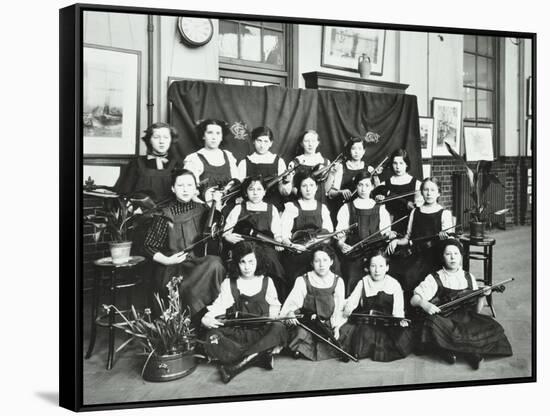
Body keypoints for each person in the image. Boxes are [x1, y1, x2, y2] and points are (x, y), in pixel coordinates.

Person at [410, 239, 513, 369]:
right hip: (445, 319)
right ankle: (465, 351)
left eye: (456, 254)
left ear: (461, 257)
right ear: (442, 257)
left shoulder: (468, 277)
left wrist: (481, 296)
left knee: (490, 326)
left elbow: (476, 311)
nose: (452, 257)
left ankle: (456, 351)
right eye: (448, 254)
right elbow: (413, 300)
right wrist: (424, 304)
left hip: (465, 319)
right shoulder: (435, 277)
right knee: (433, 322)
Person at [143, 168, 225, 322]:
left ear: (195, 188)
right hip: (174, 266)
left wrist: (216, 204)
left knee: (216, 263)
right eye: (180, 186)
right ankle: (186, 325)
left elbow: (215, 234)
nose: (185, 190)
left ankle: (206, 320)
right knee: (184, 285)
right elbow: (149, 246)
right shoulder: (164, 213)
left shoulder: (203, 209)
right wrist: (168, 260)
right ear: (173, 189)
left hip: (198, 263)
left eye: (189, 185)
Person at [201, 242, 288, 383]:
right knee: (212, 336)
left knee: (279, 328)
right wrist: (207, 318)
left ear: (258, 261)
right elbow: (219, 306)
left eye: (251, 262)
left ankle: (237, 364)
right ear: (237, 263)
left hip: (260, 333)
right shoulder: (229, 283)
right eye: (242, 262)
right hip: (237, 334)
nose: (247, 267)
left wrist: (274, 319)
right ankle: (260, 355)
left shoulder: (267, 281)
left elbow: (274, 309)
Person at [338, 251, 413, 362]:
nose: (377, 270)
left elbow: (398, 309)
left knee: (398, 340)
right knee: (359, 338)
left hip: (387, 324)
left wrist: (399, 320)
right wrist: (348, 308)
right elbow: (352, 301)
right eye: (373, 266)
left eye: (381, 266)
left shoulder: (394, 284)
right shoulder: (363, 282)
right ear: (368, 268)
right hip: (368, 323)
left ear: (387, 268)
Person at [386, 177, 454, 295]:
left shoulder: (445, 214)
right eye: (426, 190)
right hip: (415, 255)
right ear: (421, 192)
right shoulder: (415, 212)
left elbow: (450, 242)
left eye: (432, 190)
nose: (429, 193)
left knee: (414, 277)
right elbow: (408, 238)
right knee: (395, 271)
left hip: (435, 257)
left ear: (439, 193)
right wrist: (396, 241)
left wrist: (446, 238)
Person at [223, 176, 288, 297]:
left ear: (264, 192)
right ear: (246, 192)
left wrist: (278, 241)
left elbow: (277, 232)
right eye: (251, 189)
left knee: (273, 262)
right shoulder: (239, 208)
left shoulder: (271, 208)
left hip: (265, 245)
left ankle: (275, 298)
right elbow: (227, 230)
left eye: (259, 189)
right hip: (244, 245)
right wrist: (228, 236)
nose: (255, 192)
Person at [279, 245, 346, 361]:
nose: (321, 265)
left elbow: (339, 308)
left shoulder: (338, 281)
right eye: (317, 261)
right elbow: (293, 303)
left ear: (331, 261)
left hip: (328, 324)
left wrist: (336, 326)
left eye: (325, 260)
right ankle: (301, 349)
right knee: (299, 333)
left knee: (345, 333)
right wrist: (290, 312)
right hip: (308, 324)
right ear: (311, 263)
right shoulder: (303, 280)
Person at [336, 171, 395, 293]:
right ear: (356, 186)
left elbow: (386, 233)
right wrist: (341, 244)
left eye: (367, 185)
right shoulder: (347, 207)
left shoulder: (380, 207)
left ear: (373, 187)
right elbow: (340, 235)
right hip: (354, 253)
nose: (363, 189)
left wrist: (390, 236)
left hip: (375, 253)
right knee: (352, 279)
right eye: (360, 185)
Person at [280, 171, 339, 284]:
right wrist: (293, 246)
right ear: (298, 188)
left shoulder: (323, 208)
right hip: (299, 248)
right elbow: (284, 236)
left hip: (320, 249)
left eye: (311, 185)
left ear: (316, 187)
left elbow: (328, 233)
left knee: (333, 263)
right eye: (304, 186)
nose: (308, 189)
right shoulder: (291, 207)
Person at [114, 122, 183, 202]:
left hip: (170, 211)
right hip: (141, 211)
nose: (161, 141)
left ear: (171, 140)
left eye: (166, 137)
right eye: (156, 137)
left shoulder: (177, 164)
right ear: (149, 140)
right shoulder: (136, 163)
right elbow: (124, 193)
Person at [183, 119, 239, 198]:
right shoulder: (194, 159)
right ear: (203, 136)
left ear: (221, 137)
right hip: (203, 206)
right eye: (210, 133)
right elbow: (189, 190)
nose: (214, 137)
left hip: (228, 204)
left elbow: (236, 183)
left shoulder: (229, 156)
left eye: (218, 133)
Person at [237, 126, 290, 210]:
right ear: (254, 141)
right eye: (259, 141)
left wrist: (286, 182)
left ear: (271, 143)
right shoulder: (244, 163)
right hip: (251, 207)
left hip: (274, 206)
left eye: (266, 141)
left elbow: (284, 192)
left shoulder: (279, 161)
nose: (262, 145)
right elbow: (240, 189)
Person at [327, 136, 378, 220]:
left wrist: (375, 179)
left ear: (364, 151)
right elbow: (330, 193)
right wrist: (341, 191)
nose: (356, 152)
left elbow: (376, 192)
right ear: (349, 150)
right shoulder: (341, 167)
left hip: (364, 209)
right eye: (353, 148)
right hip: (343, 209)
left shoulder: (369, 169)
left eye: (359, 149)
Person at [378, 149, 422, 236]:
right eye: (395, 163)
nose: (398, 167)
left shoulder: (417, 184)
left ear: (406, 164)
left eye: (401, 163)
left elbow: (419, 210)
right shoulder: (384, 184)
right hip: (390, 226)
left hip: (410, 225)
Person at [281, 130, 332, 204]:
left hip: (320, 203)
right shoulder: (295, 162)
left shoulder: (325, 162)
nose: (310, 144)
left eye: (313, 141)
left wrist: (332, 174)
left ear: (318, 143)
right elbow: (290, 188)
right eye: (306, 141)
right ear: (301, 143)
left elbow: (326, 189)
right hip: (300, 203)